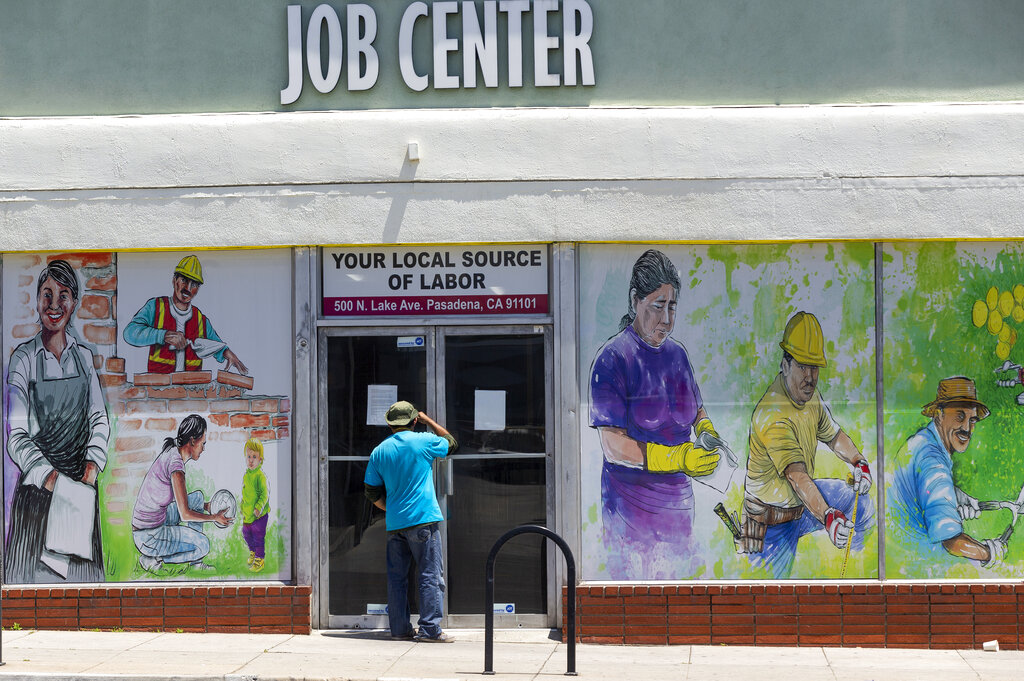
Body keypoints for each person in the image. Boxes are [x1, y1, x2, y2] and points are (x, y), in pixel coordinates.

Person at [588, 249, 724, 579]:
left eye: (672, 306)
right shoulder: (612, 359)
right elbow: (612, 445)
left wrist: (705, 429)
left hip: (679, 513)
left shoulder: (678, 355)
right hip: (630, 517)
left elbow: (696, 408)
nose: (666, 319)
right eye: (657, 306)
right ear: (636, 301)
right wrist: (677, 458)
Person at [739, 311, 875, 578]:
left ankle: (858, 574)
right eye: (803, 366)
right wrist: (828, 517)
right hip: (771, 524)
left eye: (815, 367)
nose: (810, 376)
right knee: (770, 600)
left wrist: (859, 462)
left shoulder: (809, 397)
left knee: (859, 502)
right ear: (785, 364)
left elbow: (834, 436)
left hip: (800, 507)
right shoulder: (772, 414)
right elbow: (798, 477)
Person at [5, 259, 110, 583]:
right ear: (37, 301)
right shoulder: (24, 360)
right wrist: (51, 480)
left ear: (74, 303)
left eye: (63, 295)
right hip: (38, 498)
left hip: (80, 490)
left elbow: (99, 419)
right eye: (47, 295)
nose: (54, 304)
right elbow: (16, 436)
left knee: (85, 590)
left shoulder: (84, 358)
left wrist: (90, 470)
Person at [364, 402, 457, 642]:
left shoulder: (379, 451)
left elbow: (371, 492)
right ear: (415, 421)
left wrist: (390, 508)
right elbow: (451, 444)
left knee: (397, 578)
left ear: (389, 424)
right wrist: (430, 422)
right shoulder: (424, 441)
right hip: (423, 520)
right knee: (430, 575)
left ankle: (399, 629)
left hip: (395, 524)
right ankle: (430, 630)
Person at [889, 377, 1006, 566]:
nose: (967, 428)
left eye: (972, 420)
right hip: (915, 564)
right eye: (960, 416)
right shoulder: (932, 460)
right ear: (939, 415)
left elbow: (923, 491)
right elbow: (952, 542)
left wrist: (957, 496)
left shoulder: (923, 442)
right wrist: (990, 552)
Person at [132, 414, 234, 574]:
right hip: (148, 536)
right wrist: (214, 518)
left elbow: (186, 504)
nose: (204, 448)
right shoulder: (176, 467)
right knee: (203, 545)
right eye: (203, 443)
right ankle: (153, 559)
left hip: (156, 521)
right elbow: (185, 514)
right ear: (193, 441)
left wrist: (209, 507)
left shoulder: (173, 453)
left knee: (198, 498)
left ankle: (196, 563)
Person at [122, 254, 248, 374]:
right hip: (159, 389)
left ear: (197, 290)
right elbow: (129, 333)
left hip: (191, 391)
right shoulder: (156, 307)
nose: (187, 288)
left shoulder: (200, 319)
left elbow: (216, 345)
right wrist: (163, 335)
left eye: (193, 285)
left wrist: (228, 353)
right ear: (174, 280)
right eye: (184, 280)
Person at [240, 437, 271, 572]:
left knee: (258, 536)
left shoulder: (260, 476)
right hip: (248, 514)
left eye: (254, 457)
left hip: (259, 515)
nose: (251, 460)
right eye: (248, 456)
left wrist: (259, 507)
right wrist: (243, 508)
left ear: (260, 460)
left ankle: (259, 559)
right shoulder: (247, 475)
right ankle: (253, 551)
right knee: (246, 533)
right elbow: (246, 495)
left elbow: (265, 494)